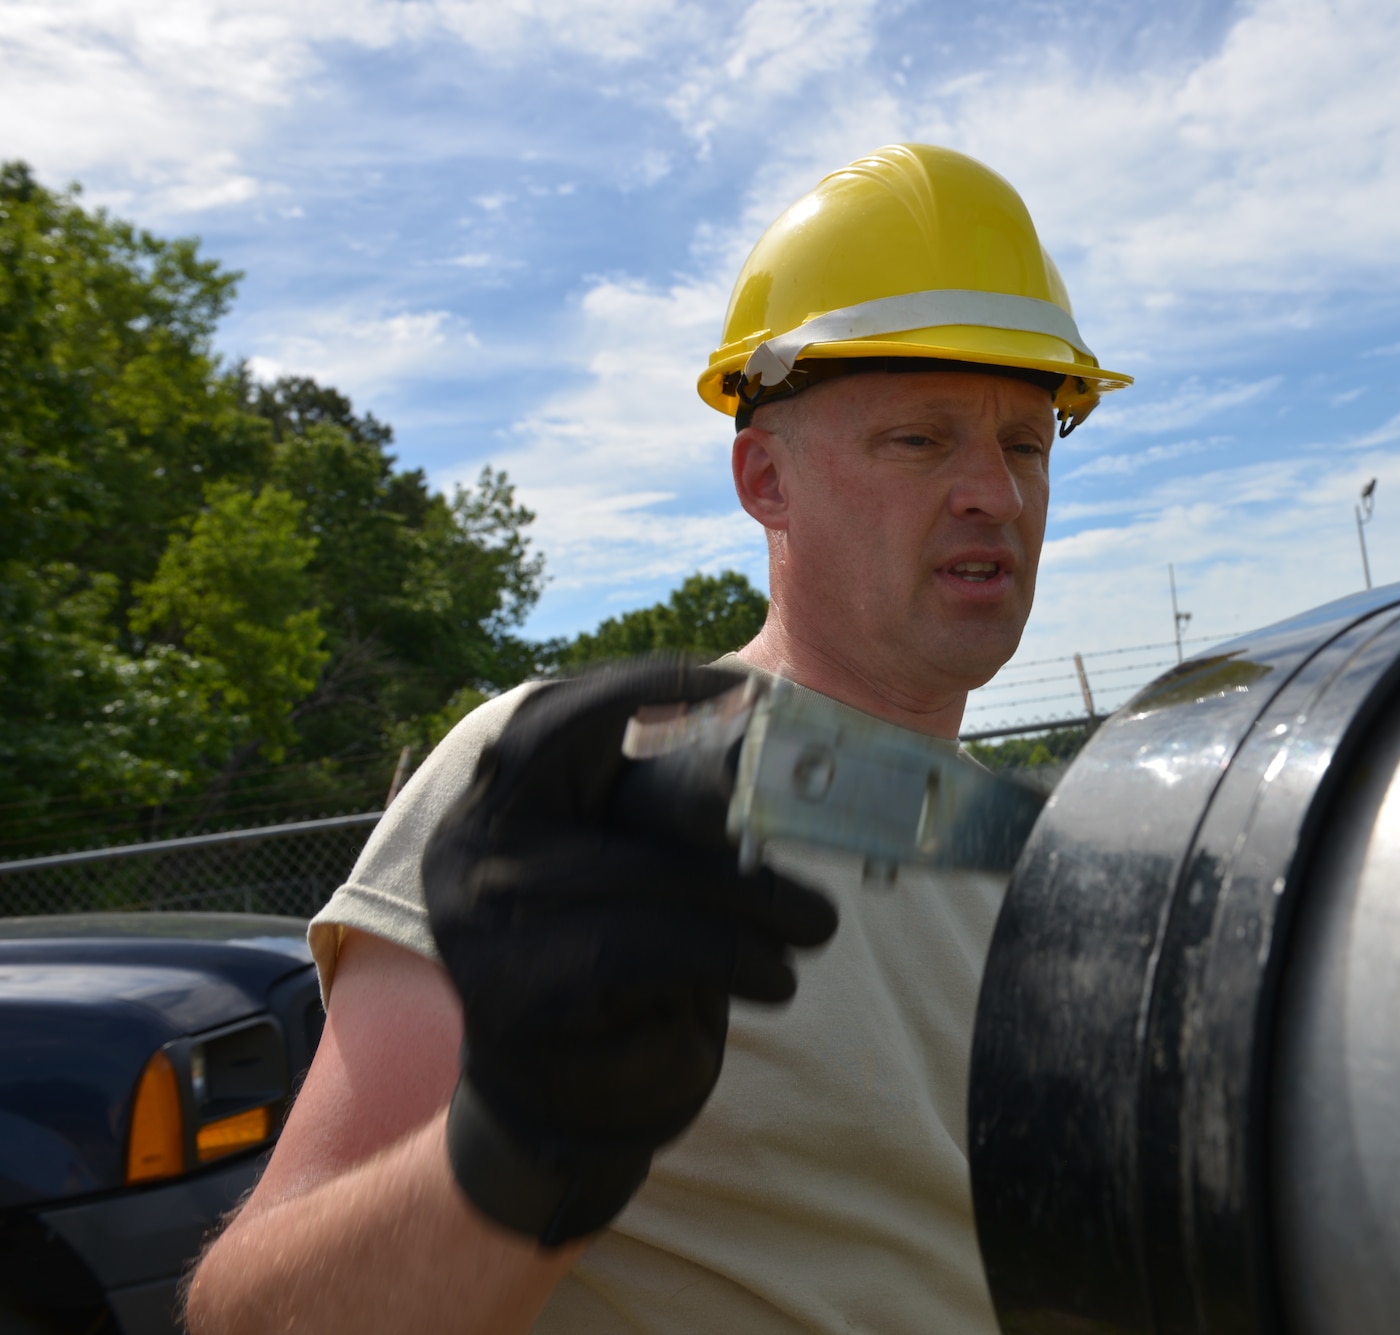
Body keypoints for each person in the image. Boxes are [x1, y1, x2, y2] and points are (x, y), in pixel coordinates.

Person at [184, 143, 1131, 1335]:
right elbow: (254, 1321)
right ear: (762, 478)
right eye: (918, 439)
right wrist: (527, 1145)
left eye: (1026, 443)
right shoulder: (589, 785)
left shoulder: (1029, 853)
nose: (993, 492)